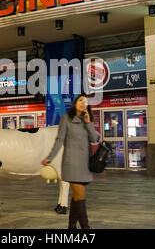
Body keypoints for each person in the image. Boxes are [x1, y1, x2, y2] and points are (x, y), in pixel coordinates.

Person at [41, 94, 98, 229]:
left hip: (84, 165)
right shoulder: (66, 118)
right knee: (80, 197)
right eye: (80, 100)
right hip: (71, 163)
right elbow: (60, 139)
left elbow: (94, 139)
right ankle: (86, 228)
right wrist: (50, 157)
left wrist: (88, 122)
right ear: (75, 103)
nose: (83, 103)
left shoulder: (87, 119)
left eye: (86, 102)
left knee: (77, 197)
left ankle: (71, 225)